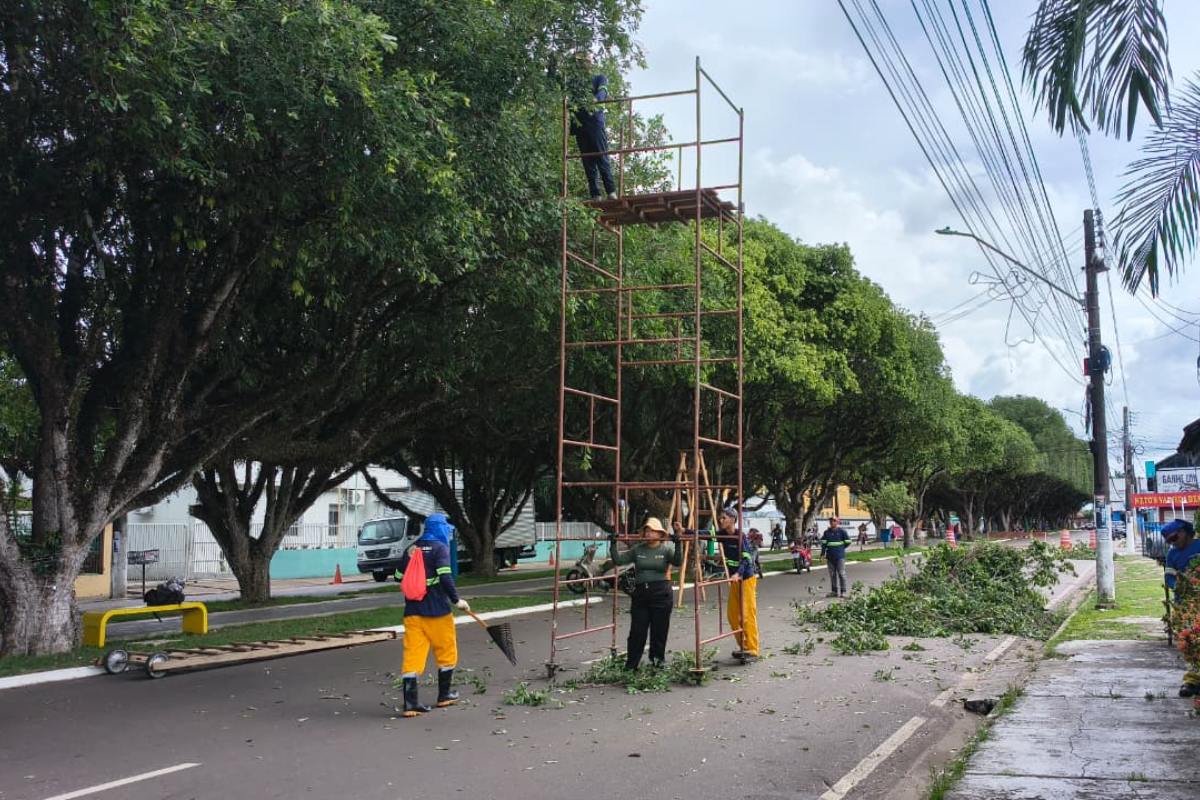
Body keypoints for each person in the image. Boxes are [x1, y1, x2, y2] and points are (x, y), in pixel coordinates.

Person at [395, 513, 471, 717]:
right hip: (437, 612)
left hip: (412, 613)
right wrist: (457, 601)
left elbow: (398, 577)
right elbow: (445, 577)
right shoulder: (440, 548)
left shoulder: (412, 548)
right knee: (446, 652)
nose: (448, 530)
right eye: (445, 526)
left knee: (412, 656)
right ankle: (444, 695)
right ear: (439, 528)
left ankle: (410, 704)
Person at [611, 517, 684, 670]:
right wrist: (612, 543)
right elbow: (618, 560)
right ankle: (631, 665)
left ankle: (657, 662)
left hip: (661, 594)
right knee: (637, 631)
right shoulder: (638, 549)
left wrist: (678, 543)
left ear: (659, 534)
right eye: (647, 530)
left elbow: (678, 561)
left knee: (659, 631)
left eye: (652, 531)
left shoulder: (665, 550)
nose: (649, 533)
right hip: (640, 595)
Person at [715, 508, 759, 661]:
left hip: (745, 579)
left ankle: (752, 649)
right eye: (720, 518)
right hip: (734, 580)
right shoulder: (722, 535)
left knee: (747, 615)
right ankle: (744, 646)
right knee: (733, 616)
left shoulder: (740, 536)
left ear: (732, 519)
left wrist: (738, 573)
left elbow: (747, 559)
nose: (721, 520)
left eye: (723, 517)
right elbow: (703, 534)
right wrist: (685, 530)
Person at [1162, 519, 1200, 697]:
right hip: (1185, 605)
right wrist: (1180, 584)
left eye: (1174, 538)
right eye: (1169, 541)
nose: (1173, 543)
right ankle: (1191, 681)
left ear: (1184, 532)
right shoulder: (1172, 555)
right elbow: (1169, 578)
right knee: (1189, 642)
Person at [570, 73, 617, 201]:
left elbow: (603, 91)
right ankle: (595, 194)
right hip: (579, 124)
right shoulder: (573, 81)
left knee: (602, 156)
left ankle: (610, 191)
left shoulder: (599, 78)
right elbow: (556, 84)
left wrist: (596, 99)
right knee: (587, 160)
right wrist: (552, 64)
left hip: (595, 121)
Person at [821, 516, 852, 598]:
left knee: (841, 574)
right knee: (832, 574)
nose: (832, 522)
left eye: (834, 521)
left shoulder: (842, 532)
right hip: (830, 557)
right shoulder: (826, 532)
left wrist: (841, 548)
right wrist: (822, 554)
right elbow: (824, 544)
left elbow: (848, 542)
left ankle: (843, 591)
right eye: (831, 521)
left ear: (837, 522)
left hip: (840, 557)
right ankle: (834, 591)